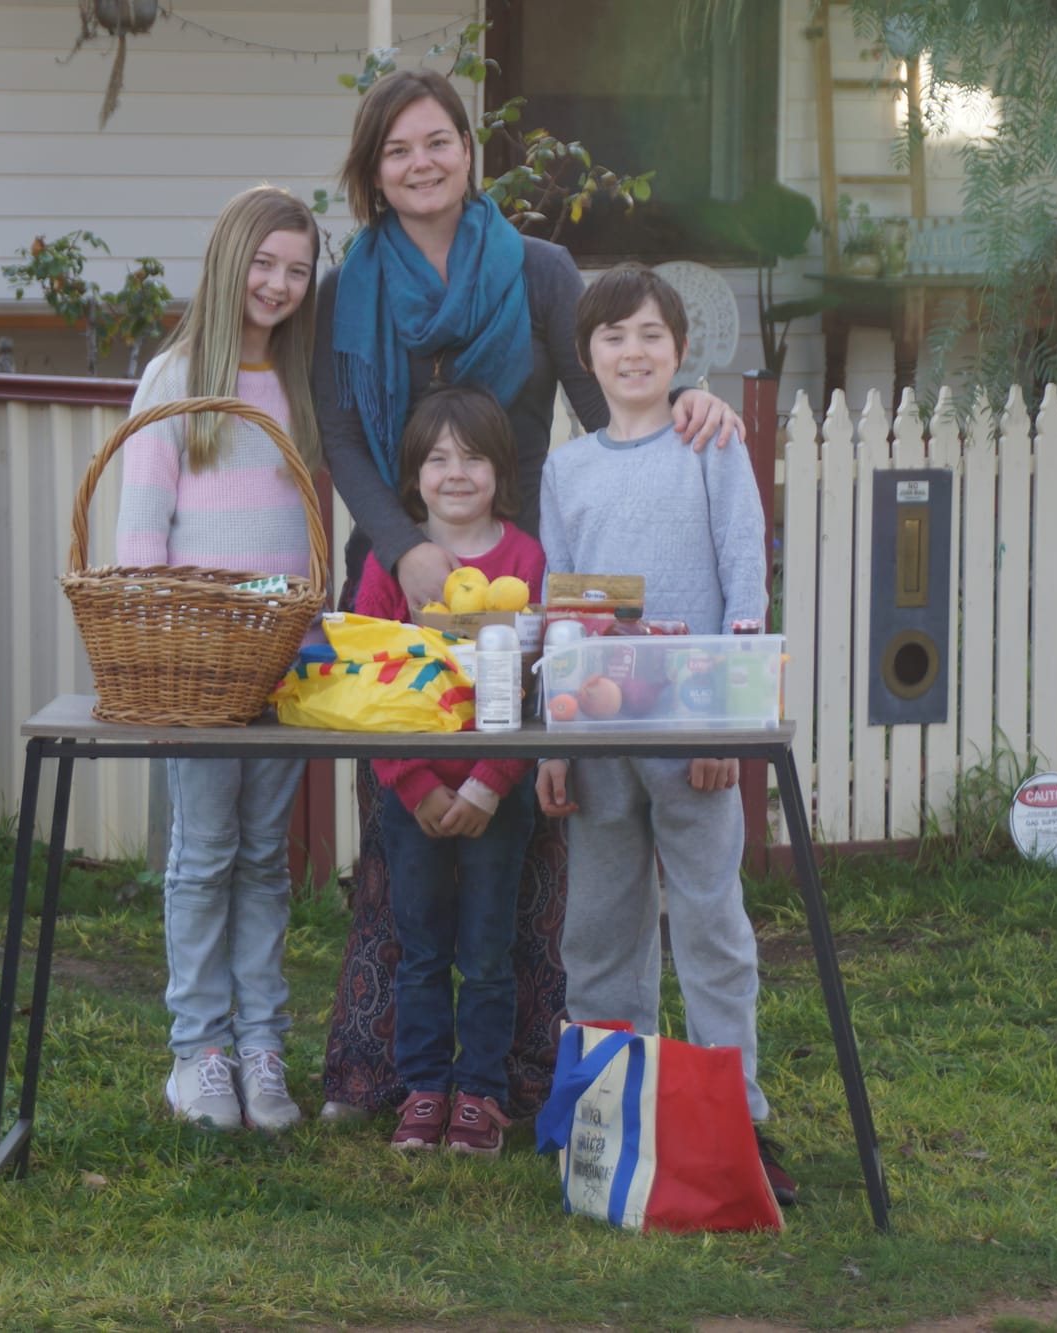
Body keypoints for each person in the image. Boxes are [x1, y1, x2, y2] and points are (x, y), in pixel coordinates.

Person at [315, 67, 750, 1121]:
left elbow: (615, 382)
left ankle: (527, 1073)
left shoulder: (540, 269)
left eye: (437, 142)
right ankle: (393, 1071)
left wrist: (692, 402)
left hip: (522, 581)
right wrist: (403, 550)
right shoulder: (346, 290)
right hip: (397, 581)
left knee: (525, 827)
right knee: (405, 831)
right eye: (397, 150)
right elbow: (338, 438)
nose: (421, 163)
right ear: (372, 173)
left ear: (469, 150)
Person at [533, 263, 797, 1205]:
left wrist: (725, 716)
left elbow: (743, 579)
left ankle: (741, 1121)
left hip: (696, 744)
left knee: (710, 924)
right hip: (599, 741)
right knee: (600, 932)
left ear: (681, 352)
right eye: (613, 336)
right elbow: (562, 610)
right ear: (587, 355)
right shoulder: (566, 471)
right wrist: (557, 738)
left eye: (651, 334)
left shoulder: (710, 446)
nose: (633, 351)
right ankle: (609, 1125)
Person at [114, 186, 322, 1133]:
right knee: (202, 854)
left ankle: (262, 1044)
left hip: (279, 657)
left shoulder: (302, 385)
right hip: (197, 661)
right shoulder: (173, 381)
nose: (278, 284)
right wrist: (157, 634)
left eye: (297, 270)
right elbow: (138, 529)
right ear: (230, 260)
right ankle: (197, 1051)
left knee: (265, 858)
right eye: (265, 263)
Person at [352, 386, 542, 1154]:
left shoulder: (525, 557)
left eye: (473, 457)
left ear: (501, 468)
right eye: (437, 458)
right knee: (422, 948)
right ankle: (424, 1088)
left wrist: (491, 782)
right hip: (416, 793)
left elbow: (537, 682)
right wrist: (415, 782)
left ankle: (484, 1095)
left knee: (489, 953)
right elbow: (368, 680)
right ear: (412, 474)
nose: (455, 473)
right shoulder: (390, 564)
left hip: (498, 790)